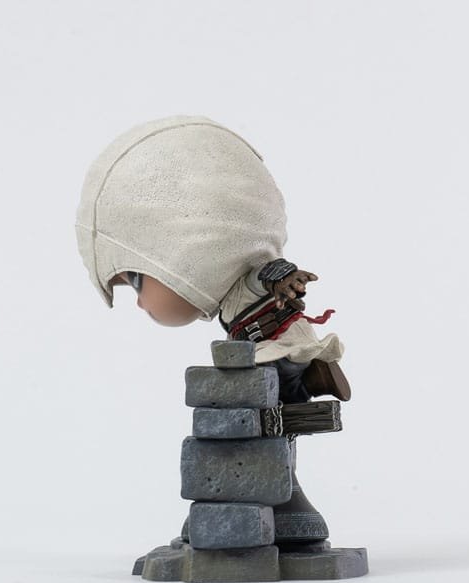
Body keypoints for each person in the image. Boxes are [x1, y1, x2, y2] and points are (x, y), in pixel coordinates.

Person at [76, 115, 350, 404]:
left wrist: (284, 280)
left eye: (136, 281)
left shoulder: (246, 285)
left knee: (273, 379)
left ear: (189, 251)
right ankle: (311, 380)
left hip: (278, 341)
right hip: (269, 343)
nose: (141, 303)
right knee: (276, 384)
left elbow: (267, 276)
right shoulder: (232, 299)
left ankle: (309, 381)